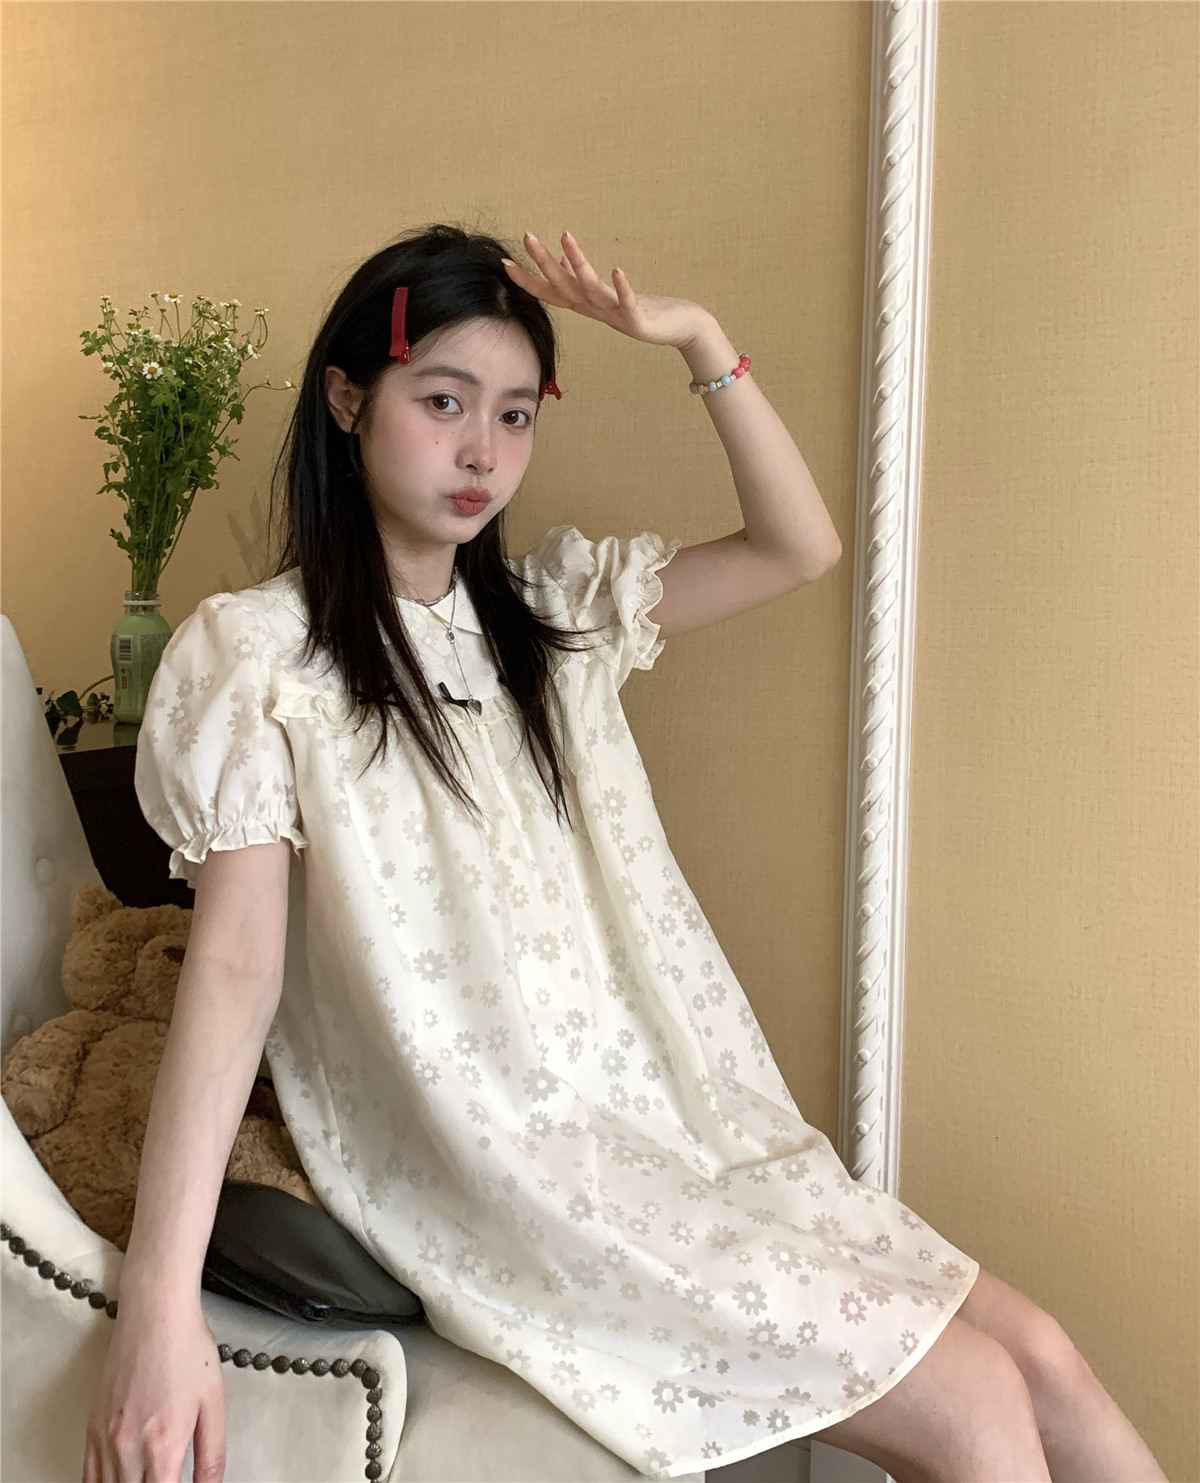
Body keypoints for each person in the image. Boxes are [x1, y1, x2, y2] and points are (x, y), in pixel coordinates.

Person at [82, 223, 1163, 1483]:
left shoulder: (552, 624)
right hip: (508, 1161)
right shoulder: (258, 656)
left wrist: (697, 337)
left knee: (1044, 1359)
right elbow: (235, 969)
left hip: (678, 1120)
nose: (484, 452)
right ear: (346, 398)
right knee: (973, 1402)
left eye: (515, 415)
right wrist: (158, 1306)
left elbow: (798, 545)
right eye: (443, 402)